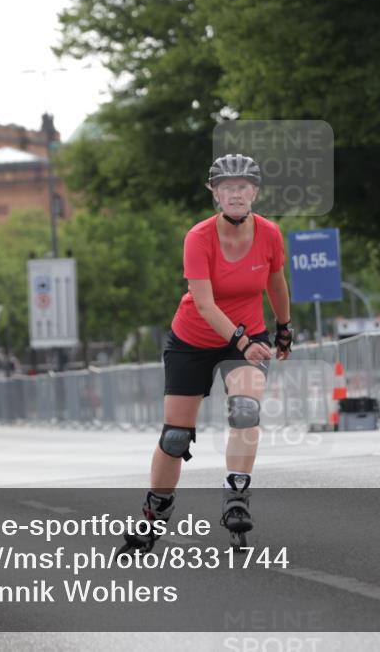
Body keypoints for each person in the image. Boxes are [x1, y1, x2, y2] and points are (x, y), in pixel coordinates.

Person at [120, 154, 293, 553]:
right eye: (227, 187)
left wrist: (283, 328)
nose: (235, 193)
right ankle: (156, 508)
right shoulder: (198, 237)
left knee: (246, 410)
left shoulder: (269, 233)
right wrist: (243, 342)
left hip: (248, 335)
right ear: (214, 193)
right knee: (176, 437)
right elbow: (204, 304)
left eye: (243, 186)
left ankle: (236, 496)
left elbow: (276, 283)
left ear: (255, 192)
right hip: (193, 340)